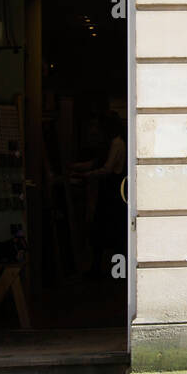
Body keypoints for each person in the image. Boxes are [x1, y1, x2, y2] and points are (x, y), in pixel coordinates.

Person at [70, 111, 127, 278]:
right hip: (109, 192)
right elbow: (95, 163)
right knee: (102, 232)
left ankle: (118, 273)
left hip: (114, 193)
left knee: (113, 233)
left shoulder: (117, 144)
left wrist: (86, 175)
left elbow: (107, 168)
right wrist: (75, 167)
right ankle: (102, 270)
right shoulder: (110, 144)